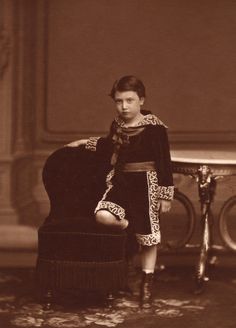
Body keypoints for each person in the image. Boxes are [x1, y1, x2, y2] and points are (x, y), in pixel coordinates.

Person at [66, 75, 174, 308]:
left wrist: (164, 195)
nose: (124, 106)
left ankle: (146, 283)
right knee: (103, 216)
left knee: (148, 237)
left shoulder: (154, 128)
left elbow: (164, 161)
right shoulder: (118, 124)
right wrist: (84, 142)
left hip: (147, 183)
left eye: (130, 100)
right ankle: (129, 227)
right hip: (122, 182)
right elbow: (108, 146)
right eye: (118, 101)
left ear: (141, 100)